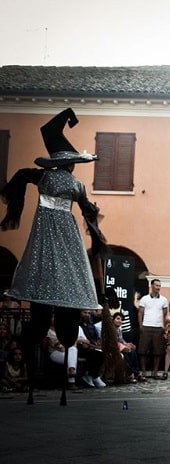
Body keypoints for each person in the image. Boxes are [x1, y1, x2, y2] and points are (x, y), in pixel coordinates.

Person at [1, 108, 107, 398]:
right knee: (70, 270)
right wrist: (96, 233)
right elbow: (88, 210)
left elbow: (23, 176)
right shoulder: (76, 184)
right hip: (68, 236)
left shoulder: (44, 177)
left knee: (41, 266)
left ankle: (35, 378)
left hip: (45, 236)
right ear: (71, 164)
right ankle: (64, 371)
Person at [138, 279, 168, 382]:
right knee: (143, 351)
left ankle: (155, 372)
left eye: (159, 285)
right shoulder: (144, 299)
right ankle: (143, 372)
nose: (158, 287)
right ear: (151, 285)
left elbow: (165, 314)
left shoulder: (164, 300)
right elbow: (140, 313)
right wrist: (141, 326)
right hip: (146, 326)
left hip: (158, 327)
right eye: (156, 285)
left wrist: (163, 326)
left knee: (157, 351)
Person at [78, 309, 106, 388]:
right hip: (80, 347)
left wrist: (97, 343)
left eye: (89, 313)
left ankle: (92, 375)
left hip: (92, 346)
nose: (87, 315)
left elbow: (96, 338)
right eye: (85, 312)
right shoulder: (78, 325)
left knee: (101, 353)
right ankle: (91, 375)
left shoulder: (91, 325)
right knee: (94, 354)